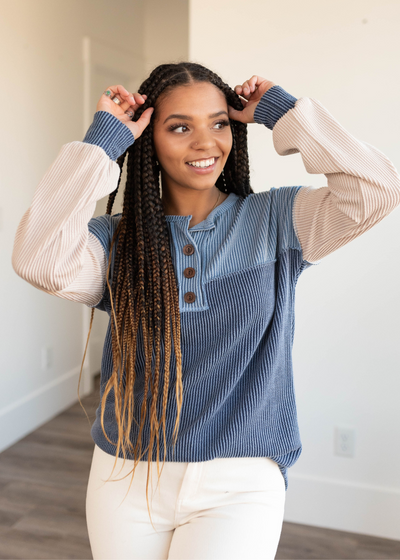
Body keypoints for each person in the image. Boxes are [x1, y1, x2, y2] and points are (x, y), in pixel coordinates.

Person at [11, 62, 400, 560]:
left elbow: (378, 189)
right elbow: (38, 256)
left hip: (240, 480)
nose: (206, 143)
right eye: (179, 127)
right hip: (126, 474)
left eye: (219, 123)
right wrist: (103, 142)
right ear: (147, 138)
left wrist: (282, 112)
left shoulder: (279, 221)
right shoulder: (117, 241)